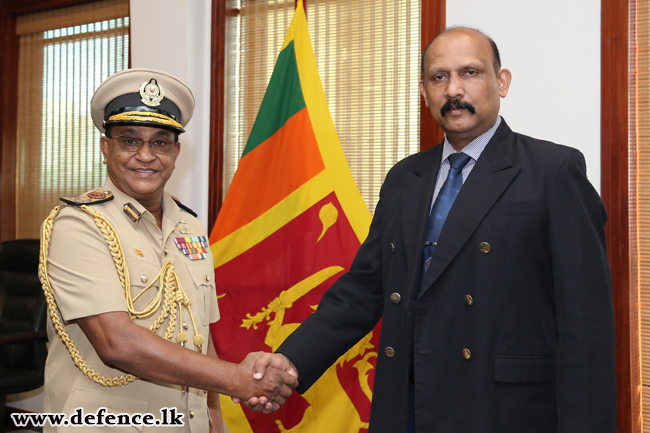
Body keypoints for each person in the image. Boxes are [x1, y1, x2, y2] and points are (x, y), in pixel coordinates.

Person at [242, 27, 617, 432]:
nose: (453, 89)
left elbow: (586, 326)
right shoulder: (405, 178)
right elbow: (364, 289)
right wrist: (292, 360)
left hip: (501, 409)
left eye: (470, 72)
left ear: (501, 81)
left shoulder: (551, 171)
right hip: (408, 405)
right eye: (439, 77)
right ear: (424, 92)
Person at [40, 68, 297, 433]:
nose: (145, 155)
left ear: (176, 153)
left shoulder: (189, 225)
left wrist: (214, 419)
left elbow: (199, 334)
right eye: (129, 141)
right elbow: (117, 343)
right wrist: (238, 379)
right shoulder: (77, 224)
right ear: (105, 147)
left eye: (160, 143)